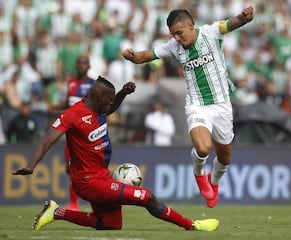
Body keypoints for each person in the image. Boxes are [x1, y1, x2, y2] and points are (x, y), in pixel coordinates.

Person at [12, 76, 219, 232]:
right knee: (147, 197)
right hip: (88, 182)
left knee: (110, 224)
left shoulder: (98, 107)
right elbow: (47, 139)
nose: (112, 104)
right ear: (100, 97)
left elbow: (109, 108)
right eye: (110, 100)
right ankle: (192, 225)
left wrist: (122, 93)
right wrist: (31, 165)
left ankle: (56, 212)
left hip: (100, 176)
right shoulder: (73, 115)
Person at [123, 6, 254, 208]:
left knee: (225, 158)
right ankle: (199, 174)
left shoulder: (211, 32)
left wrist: (245, 17)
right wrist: (133, 56)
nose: (176, 38)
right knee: (203, 148)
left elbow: (233, 23)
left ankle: (214, 182)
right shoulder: (173, 47)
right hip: (196, 104)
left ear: (191, 26)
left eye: (179, 32)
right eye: (173, 34)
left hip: (221, 105)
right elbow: (147, 55)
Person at [48, 54, 96, 211]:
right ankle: (73, 203)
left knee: (88, 168)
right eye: (79, 63)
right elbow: (68, 103)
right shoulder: (71, 83)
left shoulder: (93, 85)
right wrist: (55, 107)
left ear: (88, 66)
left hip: (85, 130)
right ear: (77, 66)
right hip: (71, 131)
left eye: (84, 63)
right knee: (70, 167)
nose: (82, 66)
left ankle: (95, 201)